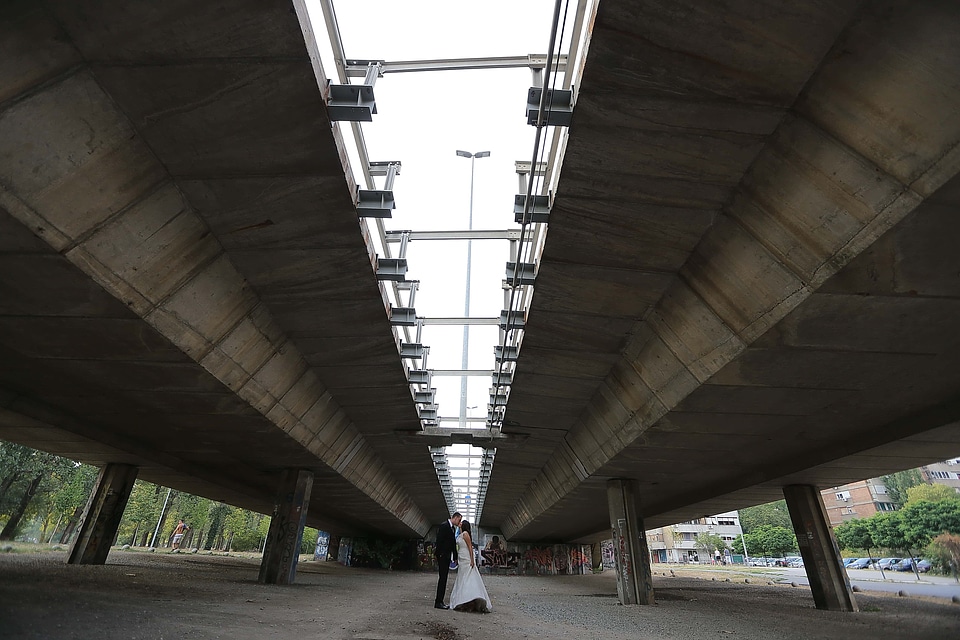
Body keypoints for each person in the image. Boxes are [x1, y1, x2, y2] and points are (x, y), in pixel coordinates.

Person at [449, 520, 492, 613]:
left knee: (468, 578)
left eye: (461, 523)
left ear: (464, 525)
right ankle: (465, 601)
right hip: (461, 558)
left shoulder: (465, 534)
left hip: (466, 558)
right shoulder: (461, 534)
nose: (459, 523)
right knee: (462, 578)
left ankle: (469, 600)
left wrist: (472, 560)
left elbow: (470, 548)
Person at [434, 512, 462, 609]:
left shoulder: (452, 528)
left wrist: (455, 556)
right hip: (443, 556)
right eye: (459, 520)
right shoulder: (444, 526)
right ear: (455, 517)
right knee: (442, 578)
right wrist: (439, 554)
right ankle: (438, 602)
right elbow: (439, 540)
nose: (459, 522)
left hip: (446, 556)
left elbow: (452, 543)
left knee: (444, 578)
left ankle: (440, 600)